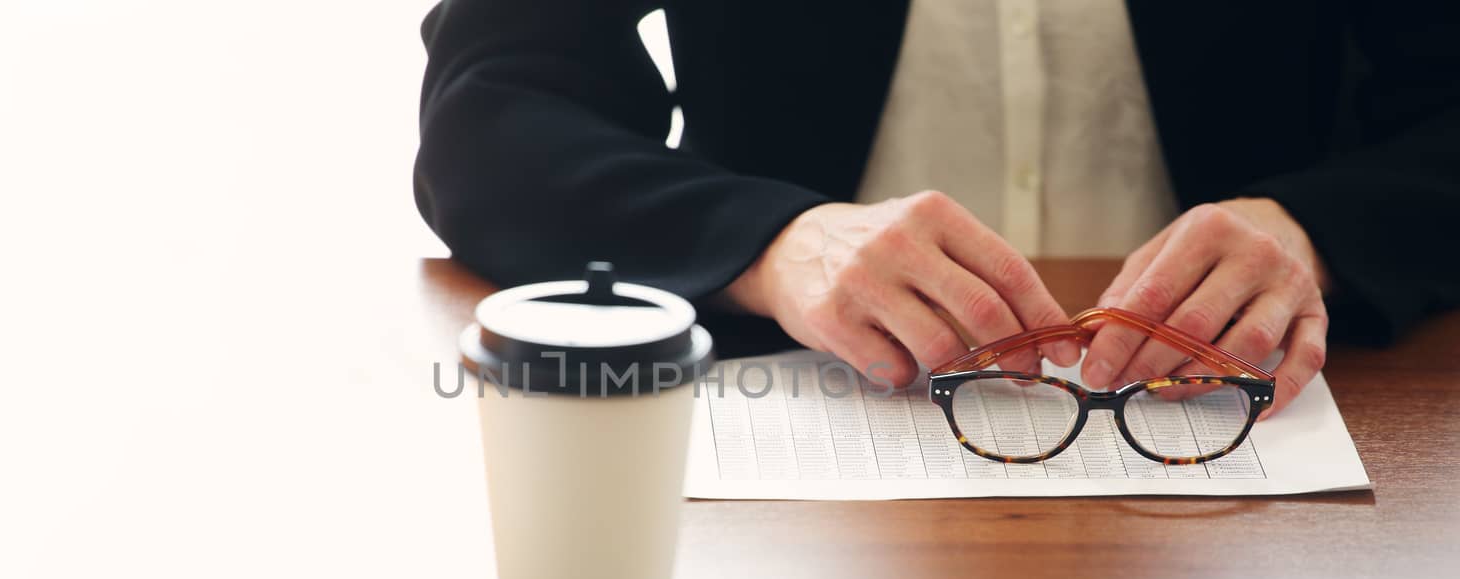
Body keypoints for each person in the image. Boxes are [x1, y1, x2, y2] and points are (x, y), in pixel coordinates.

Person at [413, 1, 1460, 413]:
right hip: (798, 458)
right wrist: (772, 241)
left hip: (1258, 447)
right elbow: (494, 104)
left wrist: (1315, 229)